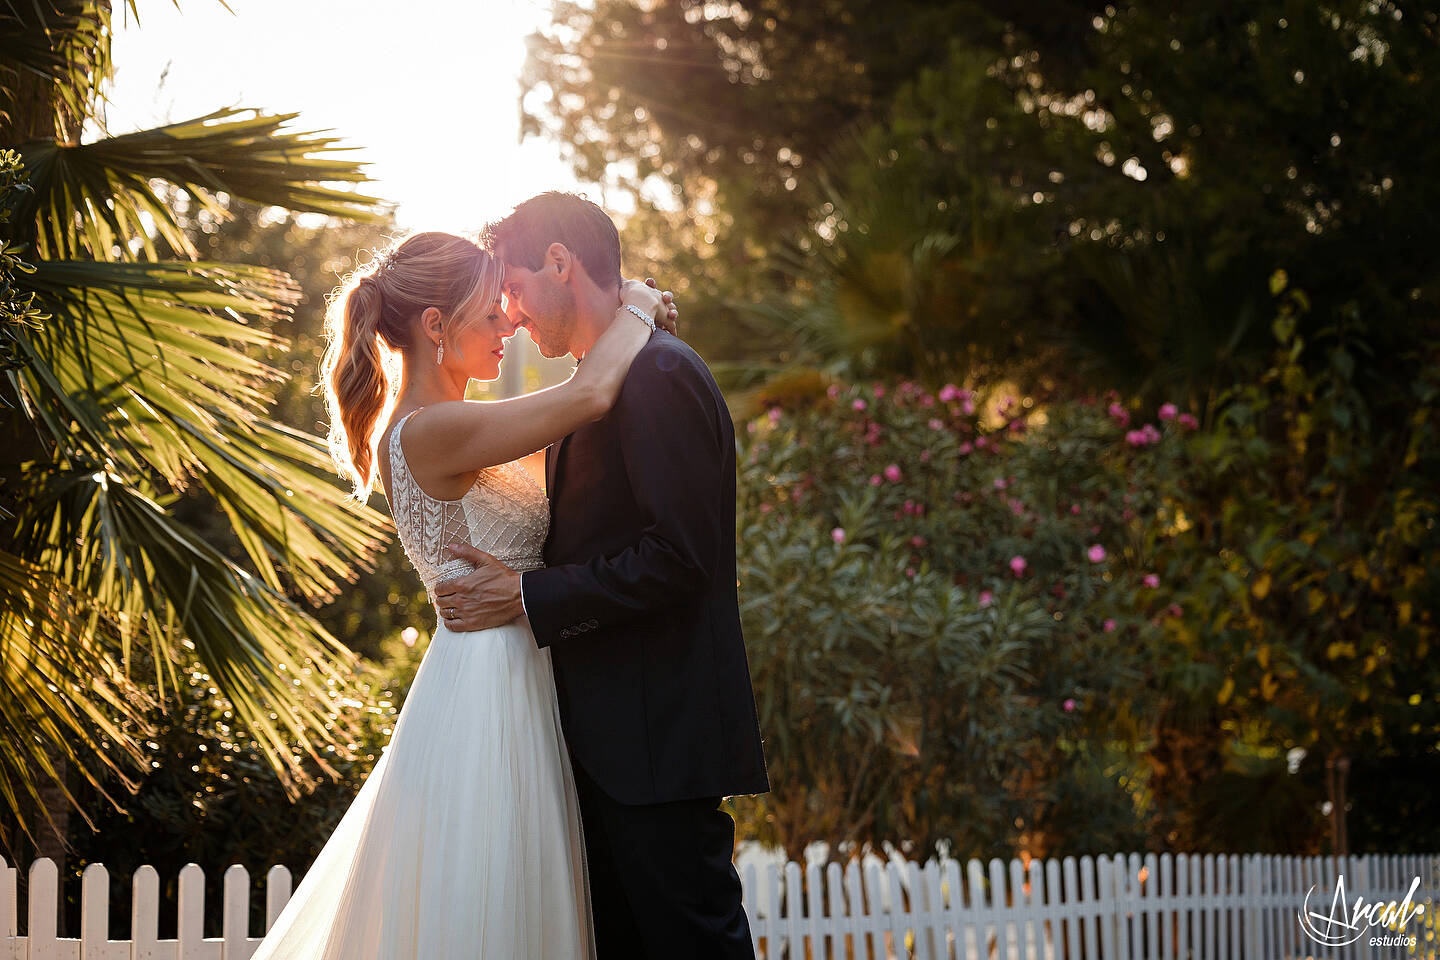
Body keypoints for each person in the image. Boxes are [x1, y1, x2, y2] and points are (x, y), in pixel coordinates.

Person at [249, 230, 678, 960]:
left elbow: (577, 448)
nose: (508, 327)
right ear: (436, 326)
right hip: (490, 689)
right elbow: (590, 394)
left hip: (514, 664)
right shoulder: (431, 430)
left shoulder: (456, 427)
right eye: (490, 317)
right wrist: (633, 306)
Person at [434, 192, 770, 959]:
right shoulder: (605, 378)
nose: (511, 315)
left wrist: (526, 595)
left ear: (560, 263)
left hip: (655, 741)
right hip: (605, 746)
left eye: (513, 288)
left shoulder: (657, 374)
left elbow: (680, 557)